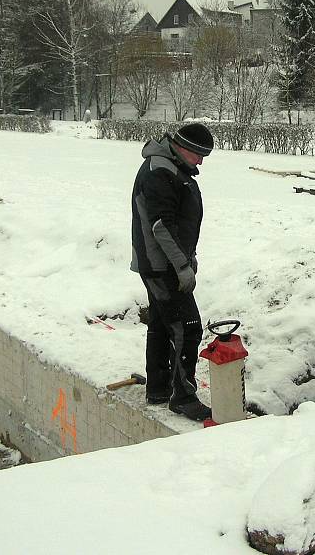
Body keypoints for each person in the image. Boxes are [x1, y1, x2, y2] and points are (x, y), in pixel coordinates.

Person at [130, 122, 214, 421]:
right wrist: (181, 265)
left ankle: (158, 389)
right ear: (182, 147)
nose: (201, 161)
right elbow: (161, 225)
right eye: (198, 154)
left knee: (162, 323)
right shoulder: (161, 172)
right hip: (162, 265)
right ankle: (183, 397)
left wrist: (188, 256)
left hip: (160, 262)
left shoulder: (168, 166)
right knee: (187, 327)